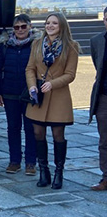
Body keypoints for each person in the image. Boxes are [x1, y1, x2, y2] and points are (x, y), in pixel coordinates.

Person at [25, 12, 79, 190]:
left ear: (61, 25)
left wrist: (52, 84)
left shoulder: (70, 47)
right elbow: (30, 68)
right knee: (38, 133)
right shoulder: (37, 44)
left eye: (54, 23)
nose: (50, 26)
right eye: (48, 23)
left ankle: (59, 172)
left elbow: (70, 75)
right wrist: (32, 86)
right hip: (38, 95)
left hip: (58, 96)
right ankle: (43, 170)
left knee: (58, 135)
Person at [0, 14, 38, 175]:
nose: (20, 30)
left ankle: (31, 162)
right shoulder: (5, 47)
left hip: (29, 94)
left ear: (30, 27)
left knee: (31, 129)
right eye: (17, 27)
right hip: (10, 93)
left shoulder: (36, 45)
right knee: (13, 128)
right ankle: (14, 161)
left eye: (23, 26)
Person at [89, 6, 107, 191]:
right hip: (104, 98)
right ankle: (106, 177)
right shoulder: (97, 41)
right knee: (104, 140)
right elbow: (98, 66)